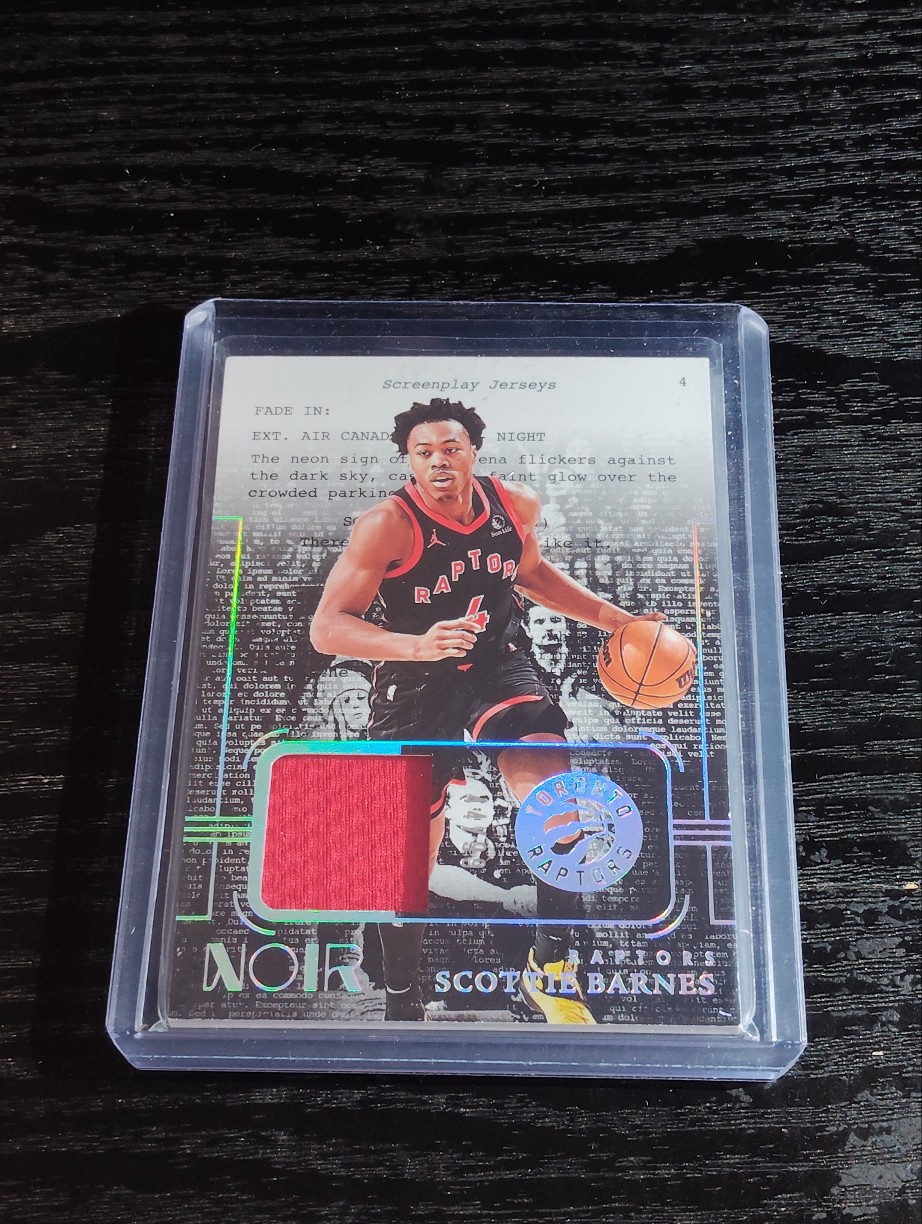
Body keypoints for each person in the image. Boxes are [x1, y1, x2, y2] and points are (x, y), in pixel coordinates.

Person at [309, 397, 665, 1023]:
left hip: (497, 663)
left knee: (556, 805)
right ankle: (402, 998)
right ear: (409, 461)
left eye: (451, 448)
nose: (438, 461)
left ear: (473, 451)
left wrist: (619, 620)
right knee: (407, 858)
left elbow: (533, 574)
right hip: (415, 679)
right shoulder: (386, 525)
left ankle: (549, 973)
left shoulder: (513, 505)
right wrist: (415, 645)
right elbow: (327, 628)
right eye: (423, 452)